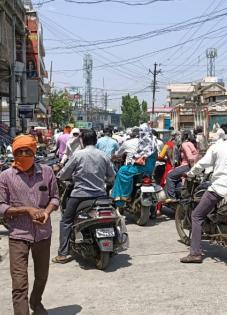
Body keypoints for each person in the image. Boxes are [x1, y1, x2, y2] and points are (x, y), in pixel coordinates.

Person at [0, 135, 59, 315]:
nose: (23, 154)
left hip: (42, 234)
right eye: (19, 151)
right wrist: (26, 210)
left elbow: (55, 197)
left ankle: (36, 302)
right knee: (19, 284)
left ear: (34, 152)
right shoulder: (6, 176)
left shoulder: (47, 172)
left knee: (41, 276)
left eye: (27, 151)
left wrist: (46, 212)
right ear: (14, 153)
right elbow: (1, 205)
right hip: (18, 235)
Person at [180, 126, 227, 263]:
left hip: (220, 188)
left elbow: (202, 164)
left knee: (197, 216)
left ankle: (195, 254)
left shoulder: (216, 147)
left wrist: (190, 173)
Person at [53, 129, 115, 264]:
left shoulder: (78, 155)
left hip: (80, 195)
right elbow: (111, 176)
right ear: (96, 140)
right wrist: (104, 182)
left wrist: (60, 175)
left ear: (82, 140)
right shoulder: (104, 155)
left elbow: (64, 174)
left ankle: (63, 254)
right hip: (100, 195)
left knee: (66, 221)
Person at [111, 123, 157, 206]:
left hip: (141, 168)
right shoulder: (153, 141)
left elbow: (140, 157)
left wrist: (133, 159)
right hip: (150, 169)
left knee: (122, 170)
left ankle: (122, 196)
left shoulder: (144, 141)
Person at [165, 131, 199, 201]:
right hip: (189, 166)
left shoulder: (184, 144)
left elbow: (190, 157)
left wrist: (193, 170)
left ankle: (171, 198)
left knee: (169, 176)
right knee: (175, 177)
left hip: (187, 166)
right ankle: (179, 195)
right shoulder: (191, 143)